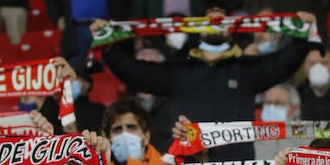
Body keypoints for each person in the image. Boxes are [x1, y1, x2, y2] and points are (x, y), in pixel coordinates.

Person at [97, 13, 313, 136]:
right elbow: (136, 74)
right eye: (208, 22)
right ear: (196, 30)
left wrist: (303, 34)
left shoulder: (246, 70)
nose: (214, 26)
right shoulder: (179, 72)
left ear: (231, 29)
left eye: (220, 22)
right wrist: (108, 48)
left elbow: (283, 64)